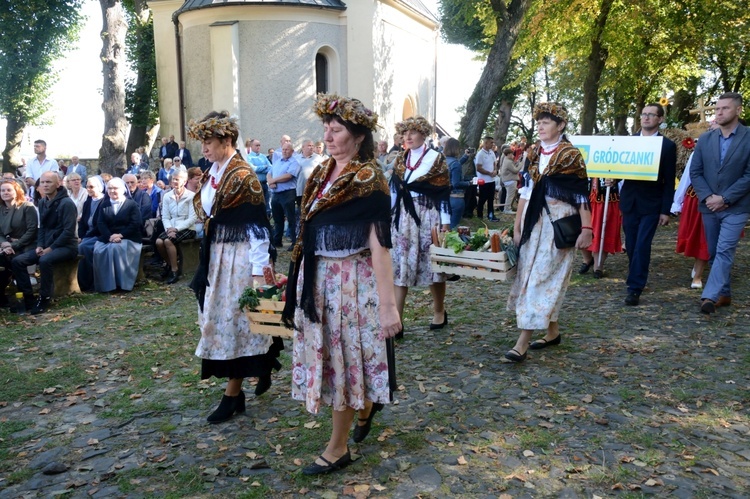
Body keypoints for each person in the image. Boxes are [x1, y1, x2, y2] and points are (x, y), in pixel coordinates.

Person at [282, 93, 399, 476]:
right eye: (326, 130)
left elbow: (380, 245)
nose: (328, 137)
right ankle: (364, 406)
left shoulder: (370, 179)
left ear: (359, 137)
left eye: (337, 131)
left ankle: (338, 447)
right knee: (336, 364)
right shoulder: (319, 173)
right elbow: (308, 231)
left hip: (351, 285)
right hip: (319, 283)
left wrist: (388, 305)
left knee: (345, 365)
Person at [187, 111, 281, 424]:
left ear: (227, 140)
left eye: (209, 142)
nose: (204, 149)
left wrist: (258, 274)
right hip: (217, 256)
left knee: (239, 323)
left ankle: (233, 394)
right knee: (229, 322)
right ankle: (264, 364)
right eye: (202, 143)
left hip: (240, 258)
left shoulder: (243, 176)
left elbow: (258, 229)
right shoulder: (214, 170)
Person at [505, 102, 592, 362]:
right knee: (528, 275)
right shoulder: (534, 153)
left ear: (560, 125)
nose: (540, 126)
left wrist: (587, 228)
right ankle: (552, 332)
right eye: (539, 122)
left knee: (540, 278)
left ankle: (522, 341)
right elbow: (526, 191)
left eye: (546, 122)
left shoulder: (570, 155)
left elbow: (581, 194)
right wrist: (518, 224)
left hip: (559, 224)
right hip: (534, 222)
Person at [390, 116, 451, 336]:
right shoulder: (400, 159)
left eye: (413, 132)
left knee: (433, 266)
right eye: (405, 132)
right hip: (403, 218)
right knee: (399, 267)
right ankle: (397, 321)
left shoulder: (436, 158)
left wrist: (445, 224)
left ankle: (439, 310)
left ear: (423, 134)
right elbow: (395, 192)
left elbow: (443, 194)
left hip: (428, 216)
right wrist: (389, 217)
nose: (408, 136)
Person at [690, 92, 750, 314]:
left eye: (725, 108)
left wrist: (725, 198)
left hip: (737, 207)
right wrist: (708, 197)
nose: (719, 112)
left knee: (725, 249)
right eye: (717, 109)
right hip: (709, 205)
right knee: (715, 250)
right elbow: (695, 172)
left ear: (738, 110)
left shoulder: (748, 137)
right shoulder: (706, 139)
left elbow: (749, 175)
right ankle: (724, 293)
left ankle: (709, 296)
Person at [619, 103, 677, 306]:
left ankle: (635, 287)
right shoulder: (628, 141)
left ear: (660, 119)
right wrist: (611, 177)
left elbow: (669, 181)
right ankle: (636, 273)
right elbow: (619, 167)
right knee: (632, 244)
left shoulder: (668, 146)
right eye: (644, 114)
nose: (646, 118)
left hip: (652, 203)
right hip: (629, 201)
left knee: (643, 245)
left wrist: (665, 210)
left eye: (651, 115)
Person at [11, 172, 79, 314]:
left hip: (66, 246)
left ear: (58, 184)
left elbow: (68, 231)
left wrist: (50, 248)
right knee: (18, 261)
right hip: (47, 245)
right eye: (42, 182)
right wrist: (40, 245)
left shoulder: (67, 203)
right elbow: (42, 228)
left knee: (45, 260)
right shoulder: (43, 202)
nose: (45, 185)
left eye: (49, 182)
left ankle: (44, 297)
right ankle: (28, 298)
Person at [92, 177, 143, 292]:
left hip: (129, 237)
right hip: (109, 237)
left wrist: (120, 235)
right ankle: (106, 285)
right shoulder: (104, 205)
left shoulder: (131, 205)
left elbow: (135, 223)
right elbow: (101, 223)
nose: (112, 191)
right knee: (98, 249)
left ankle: (122, 284)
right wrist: (110, 236)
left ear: (123, 189)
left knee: (115, 248)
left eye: (115, 188)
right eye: (109, 188)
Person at [672, 151, 709, 289]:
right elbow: (688, 175)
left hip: (723, 197)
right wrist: (677, 201)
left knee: (709, 237)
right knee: (700, 235)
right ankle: (698, 268)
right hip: (698, 198)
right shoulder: (700, 151)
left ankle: (699, 273)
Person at [0, 180, 38, 307]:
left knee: (16, 261)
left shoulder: (27, 207)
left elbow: (32, 230)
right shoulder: (0, 209)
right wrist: (5, 244)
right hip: (7, 245)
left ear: (16, 192)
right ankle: (2, 296)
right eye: (2, 190)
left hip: (28, 244)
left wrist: (13, 245)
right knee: (1, 260)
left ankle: (28, 298)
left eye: (8, 190)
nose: (5, 192)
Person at [156, 170, 197, 284]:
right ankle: (170, 264)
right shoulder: (167, 196)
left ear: (184, 181)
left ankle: (175, 271)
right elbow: (165, 216)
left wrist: (177, 229)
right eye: (173, 179)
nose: (174, 181)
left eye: (177, 179)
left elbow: (192, 218)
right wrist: (169, 229)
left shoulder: (191, 196)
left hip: (187, 228)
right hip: (171, 228)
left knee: (168, 241)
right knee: (159, 242)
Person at [579, 178, 622, 278]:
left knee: (603, 230)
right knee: (582, 228)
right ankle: (587, 259)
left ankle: (598, 266)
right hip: (585, 193)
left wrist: (616, 178)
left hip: (607, 196)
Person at [77, 176, 109, 292]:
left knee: (84, 248)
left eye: (92, 187)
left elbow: (100, 225)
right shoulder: (88, 202)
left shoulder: (105, 202)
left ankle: (89, 283)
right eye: (87, 187)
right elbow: (82, 223)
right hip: (87, 235)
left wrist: (84, 238)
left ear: (100, 187)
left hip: (98, 235)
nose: (89, 189)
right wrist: (80, 236)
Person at [268, 142, 300, 250]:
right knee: (277, 219)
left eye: (287, 149)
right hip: (276, 193)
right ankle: (277, 241)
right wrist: (270, 182)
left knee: (291, 219)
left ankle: (294, 242)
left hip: (288, 193)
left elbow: (288, 176)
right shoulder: (277, 161)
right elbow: (269, 172)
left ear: (292, 151)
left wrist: (274, 180)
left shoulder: (294, 162)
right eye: (283, 149)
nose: (285, 151)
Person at [443, 138, 470, 229]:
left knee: (444, 225)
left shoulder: (443, 161)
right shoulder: (455, 164)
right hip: (456, 197)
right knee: (453, 227)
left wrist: (465, 156)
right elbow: (456, 183)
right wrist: (469, 183)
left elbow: (455, 166)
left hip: (444, 197)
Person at [474, 136, 498, 221]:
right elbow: (478, 168)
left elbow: (495, 163)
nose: (493, 144)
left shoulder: (491, 152)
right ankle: (479, 214)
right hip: (483, 180)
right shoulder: (480, 154)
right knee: (482, 197)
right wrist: (489, 173)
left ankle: (491, 214)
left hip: (491, 180)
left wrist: (495, 170)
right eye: (491, 142)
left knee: (491, 198)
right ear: (486, 143)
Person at [247, 139, 272, 215]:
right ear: (251, 146)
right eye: (256, 145)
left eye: (259, 145)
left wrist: (260, 169)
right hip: (256, 185)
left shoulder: (263, 157)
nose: (258, 147)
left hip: (265, 184)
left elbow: (271, 168)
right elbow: (253, 169)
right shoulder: (249, 157)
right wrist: (264, 167)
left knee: (267, 205)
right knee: (258, 205)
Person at [499, 146, 521, 214]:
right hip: (510, 181)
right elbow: (515, 170)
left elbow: (513, 165)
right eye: (511, 154)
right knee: (510, 196)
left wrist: (518, 161)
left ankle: (508, 208)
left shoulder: (507, 160)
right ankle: (507, 209)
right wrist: (521, 164)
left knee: (510, 195)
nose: (513, 155)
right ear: (508, 154)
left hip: (508, 180)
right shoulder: (508, 162)